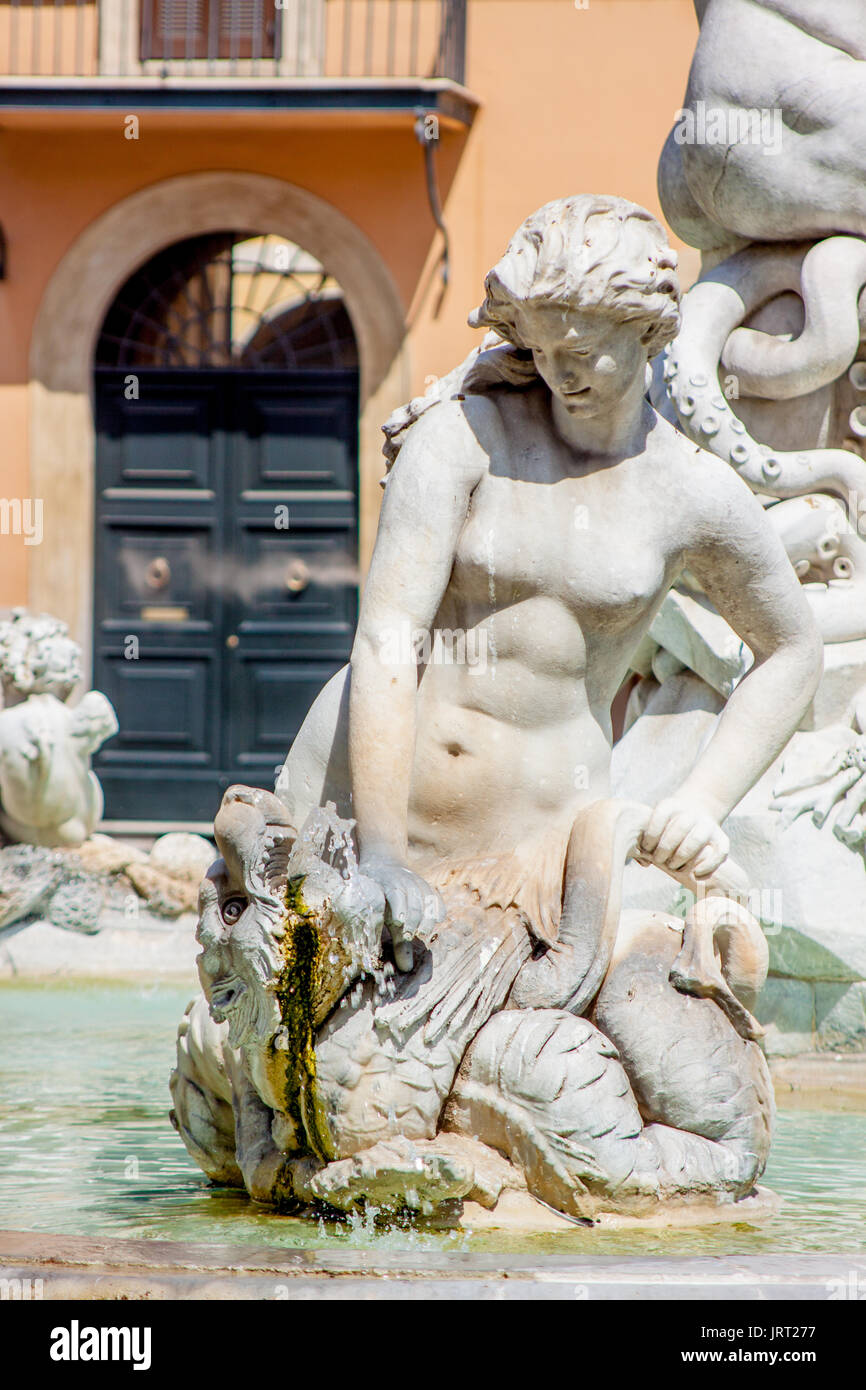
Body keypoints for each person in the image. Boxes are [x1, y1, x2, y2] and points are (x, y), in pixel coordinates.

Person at [276, 194, 822, 974]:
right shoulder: (465, 437)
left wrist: (703, 802)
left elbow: (793, 649)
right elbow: (388, 636)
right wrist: (383, 854)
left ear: (646, 330)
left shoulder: (691, 492)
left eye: (582, 350)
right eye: (540, 349)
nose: (559, 374)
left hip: (536, 850)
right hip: (355, 808)